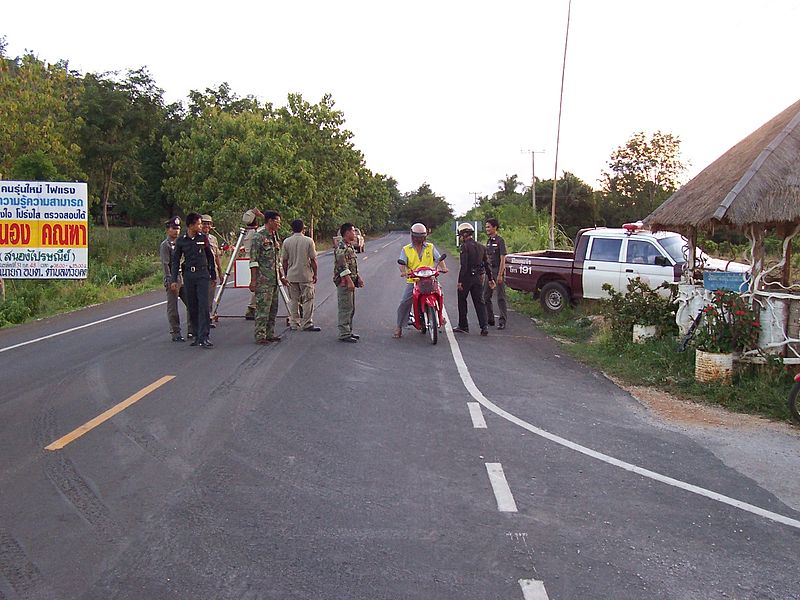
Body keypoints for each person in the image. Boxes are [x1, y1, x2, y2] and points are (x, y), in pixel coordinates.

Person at [393, 222, 448, 338]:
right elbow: (401, 263)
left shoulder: (430, 247)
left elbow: (438, 259)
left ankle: (440, 316)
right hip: (414, 280)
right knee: (404, 302)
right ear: (412, 236)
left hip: (429, 279)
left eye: (422, 237)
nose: (419, 239)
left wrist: (443, 268)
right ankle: (399, 327)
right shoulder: (406, 249)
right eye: (417, 237)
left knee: (440, 294)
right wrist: (404, 272)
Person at [170, 212, 216, 348]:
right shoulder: (182, 241)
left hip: (203, 275)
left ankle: (204, 336)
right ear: (191, 225)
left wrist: (213, 275)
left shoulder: (203, 238)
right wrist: (174, 279)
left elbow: (210, 257)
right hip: (189, 275)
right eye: (199, 223)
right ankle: (196, 335)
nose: (201, 226)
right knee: (192, 306)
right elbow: (176, 261)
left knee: (204, 305)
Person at [248, 210, 288, 344]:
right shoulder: (258, 237)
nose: (279, 225)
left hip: (274, 280)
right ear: (270, 221)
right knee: (262, 309)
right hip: (263, 280)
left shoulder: (274, 236)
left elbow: (277, 259)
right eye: (277, 222)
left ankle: (270, 333)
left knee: (273, 308)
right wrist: (253, 280)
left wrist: (282, 276)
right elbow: (253, 260)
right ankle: (260, 335)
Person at [453, 222, 495, 336]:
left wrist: (460, 282)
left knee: (462, 300)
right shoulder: (481, 246)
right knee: (479, 302)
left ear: (464, 235)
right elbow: (487, 264)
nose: (461, 238)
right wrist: (490, 278)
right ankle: (484, 326)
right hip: (478, 277)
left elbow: (464, 266)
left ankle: (463, 325)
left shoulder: (464, 247)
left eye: (461, 235)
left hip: (467, 277)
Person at [281, 219, 320, 331]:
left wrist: (286, 273)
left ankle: (294, 323)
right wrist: (315, 274)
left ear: (292, 229)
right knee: (308, 299)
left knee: (294, 300)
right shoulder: (308, 241)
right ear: (303, 228)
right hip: (305, 275)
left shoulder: (287, 242)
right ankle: (307, 323)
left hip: (292, 275)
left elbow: (284, 260)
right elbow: (313, 259)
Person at [159, 216, 191, 341]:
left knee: (191, 303)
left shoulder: (181, 242)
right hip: (173, 277)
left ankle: (192, 330)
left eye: (178, 228)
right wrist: (170, 280)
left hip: (183, 276)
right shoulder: (165, 245)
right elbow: (165, 264)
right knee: (173, 307)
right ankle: (175, 332)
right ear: (168, 230)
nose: (176, 231)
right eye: (173, 228)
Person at [333, 223, 363, 343]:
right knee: (345, 307)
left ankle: (348, 330)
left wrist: (358, 278)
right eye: (353, 231)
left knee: (351, 307)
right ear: (347, 232)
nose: (355, 234)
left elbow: (352, 265)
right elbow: (342, 266)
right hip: (344, 282)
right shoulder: (341, 247)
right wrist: (350, 281)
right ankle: (344, 333)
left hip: (350, 280)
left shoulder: (348, 246)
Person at [483, 218, 508, 329]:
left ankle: (502, 321)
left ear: (495, 227)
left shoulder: (500, 241)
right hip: (489, 271)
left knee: (500, 297)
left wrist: (500, 274)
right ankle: (490, 319)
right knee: (486, 296)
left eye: (488, 227)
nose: (487, 229)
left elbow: (503, 259)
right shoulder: (488, 242)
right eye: (486, 227)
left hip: (498, 270)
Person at [240, 208, 264, 320]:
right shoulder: (257, 233)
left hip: (248, 259)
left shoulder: (245, 233)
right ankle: (252, 307)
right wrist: (261, 215)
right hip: (256, 260)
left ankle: (252, 307)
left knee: (255, 286)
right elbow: (269, 225)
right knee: (258, 285)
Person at [201, 214, 224, 327]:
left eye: (208, 224)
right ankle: (201, 319)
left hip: (212, 271)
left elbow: (217, 257)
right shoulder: (195, 238)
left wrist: (220, 273)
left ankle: (208, 317)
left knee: (210, 296)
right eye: (204, 223)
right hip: (201, 272)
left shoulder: (213, 239)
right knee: (201, 296)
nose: (206, 226)